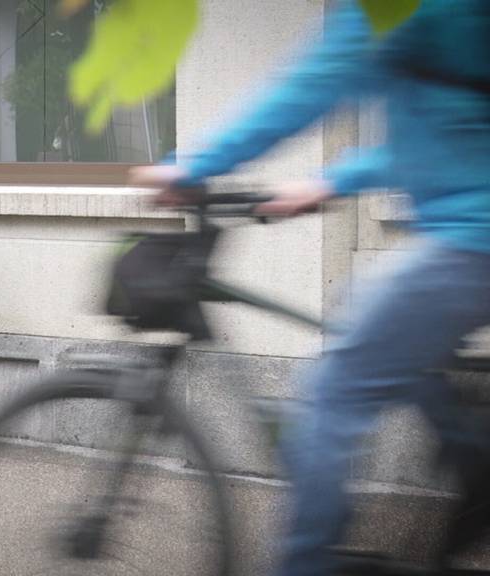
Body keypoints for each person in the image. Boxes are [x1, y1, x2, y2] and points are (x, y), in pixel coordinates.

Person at [128, 2, 490, 575]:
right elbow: (446, 122)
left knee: (329, 389)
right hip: (469, 227)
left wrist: (191, 166)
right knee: (361, 313)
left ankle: (306, 564)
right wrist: (326, 181)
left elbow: (313, 84)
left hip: (473, 235)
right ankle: (473, 457)